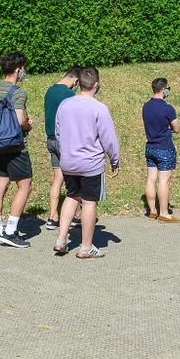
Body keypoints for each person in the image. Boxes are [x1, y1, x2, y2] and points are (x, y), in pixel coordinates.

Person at [53, 67, 120, 259]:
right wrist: (114, 159)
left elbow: (58, 132)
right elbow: (109, 139)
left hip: (68, 160)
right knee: (90, 201)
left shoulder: (65, 105)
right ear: (97, 85)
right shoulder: (99, 108)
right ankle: (86, 246)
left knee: (72, 196)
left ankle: (61, 239)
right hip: (90, 163)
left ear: (79, 83)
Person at [0, 51, 34, 248]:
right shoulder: (18, 92)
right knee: (25, 185)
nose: (24, 71)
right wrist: (28, 125)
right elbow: (19, 120)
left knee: (0, 186)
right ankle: (11, 231)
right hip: (14, 145)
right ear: (17, 69)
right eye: (23, 67)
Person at [43, 68, 80, 230]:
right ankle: (77, 215)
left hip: (50, 139)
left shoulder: (49, 91)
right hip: (65, 141)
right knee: (74, 179)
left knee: (58, 178)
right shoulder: (70, 95)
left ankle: (53, 216)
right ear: (76, 81)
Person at [142, 77, 180, 224]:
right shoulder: (168, 108)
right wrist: (169, 127)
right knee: (163, 180)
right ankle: (164, 213)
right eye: (168, 89)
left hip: (150, 147)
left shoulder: (146, 106)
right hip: (164, 147)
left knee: (151, 179)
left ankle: (152, 211)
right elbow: (176, 128)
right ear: (164, 89)